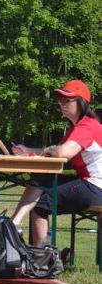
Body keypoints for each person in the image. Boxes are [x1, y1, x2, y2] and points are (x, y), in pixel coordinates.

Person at [11, 79, 102, 247]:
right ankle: (15, 224)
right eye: (60, 100)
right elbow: (54, 150)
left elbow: (61, 153)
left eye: (67, 100)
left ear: (81, 103)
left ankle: (42, 254)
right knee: (40, 180)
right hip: (90, 184)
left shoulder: (87, 126)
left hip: (96, 186)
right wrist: (27, 149)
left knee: (40, 203)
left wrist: (49, 150)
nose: (61, 104)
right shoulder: (76, 128)